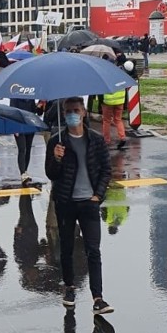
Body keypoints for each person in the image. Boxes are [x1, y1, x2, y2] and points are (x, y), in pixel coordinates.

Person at [44, 97, 113, 314]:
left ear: (83, 112)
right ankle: (69, 287)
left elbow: (106, 170)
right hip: (66, 203)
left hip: (89, 203)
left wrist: (97, 196)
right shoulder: (57, 141)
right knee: (66, 248)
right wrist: (56, 159)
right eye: (68, 111)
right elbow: (50, 174)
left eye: (76, 110)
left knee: (93, 250)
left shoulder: (96, 139)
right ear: (63, 115)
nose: (72, 114)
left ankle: (98, 297)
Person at [9, 96, 38, 184]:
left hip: (29, 125)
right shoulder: (14, 97)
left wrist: (39, 107)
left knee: (28, 149)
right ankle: (22, 173)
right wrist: (14, 127)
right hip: (19, 125)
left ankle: (25, 171)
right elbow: (12, 112)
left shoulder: (31, 97)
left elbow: (34, 111)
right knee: (22, 149)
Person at [100, 83, 127, 149]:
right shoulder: (120, 76)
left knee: (106, 121)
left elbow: (101, 91)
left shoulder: (104, 78)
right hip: (120, 101)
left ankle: (106, 140)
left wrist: (101, 102)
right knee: (118, 120)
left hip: (108, 101)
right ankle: (122, 137)